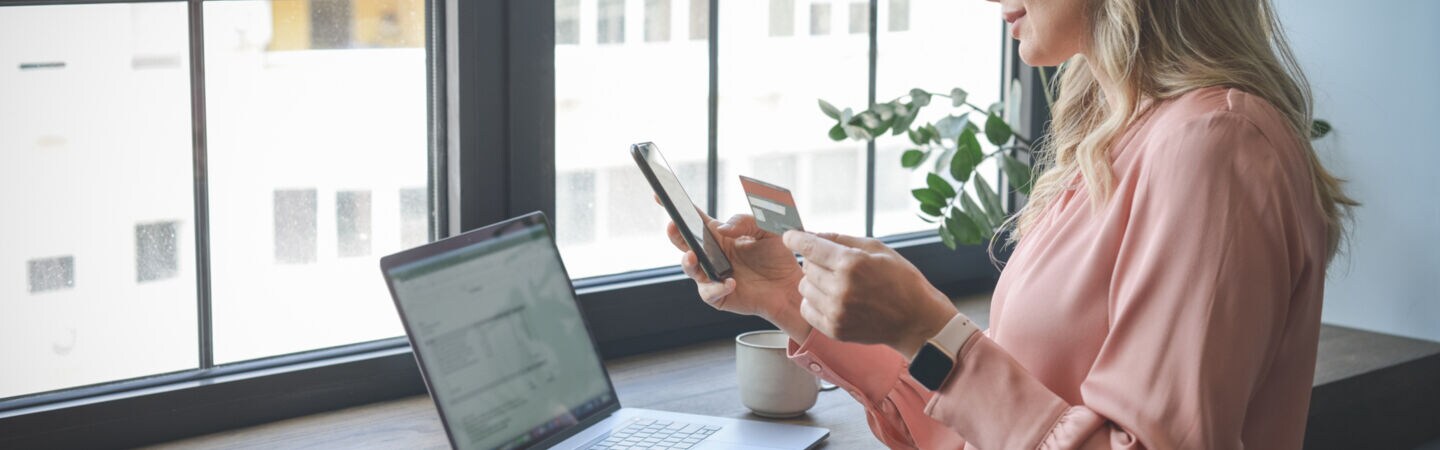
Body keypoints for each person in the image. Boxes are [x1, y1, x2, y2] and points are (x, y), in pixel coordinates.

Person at [661, 0, 1359, 448]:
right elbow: (978, 429)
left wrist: (926, 327)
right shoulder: (1114, 145)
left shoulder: (1214, 146)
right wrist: (790, 299)